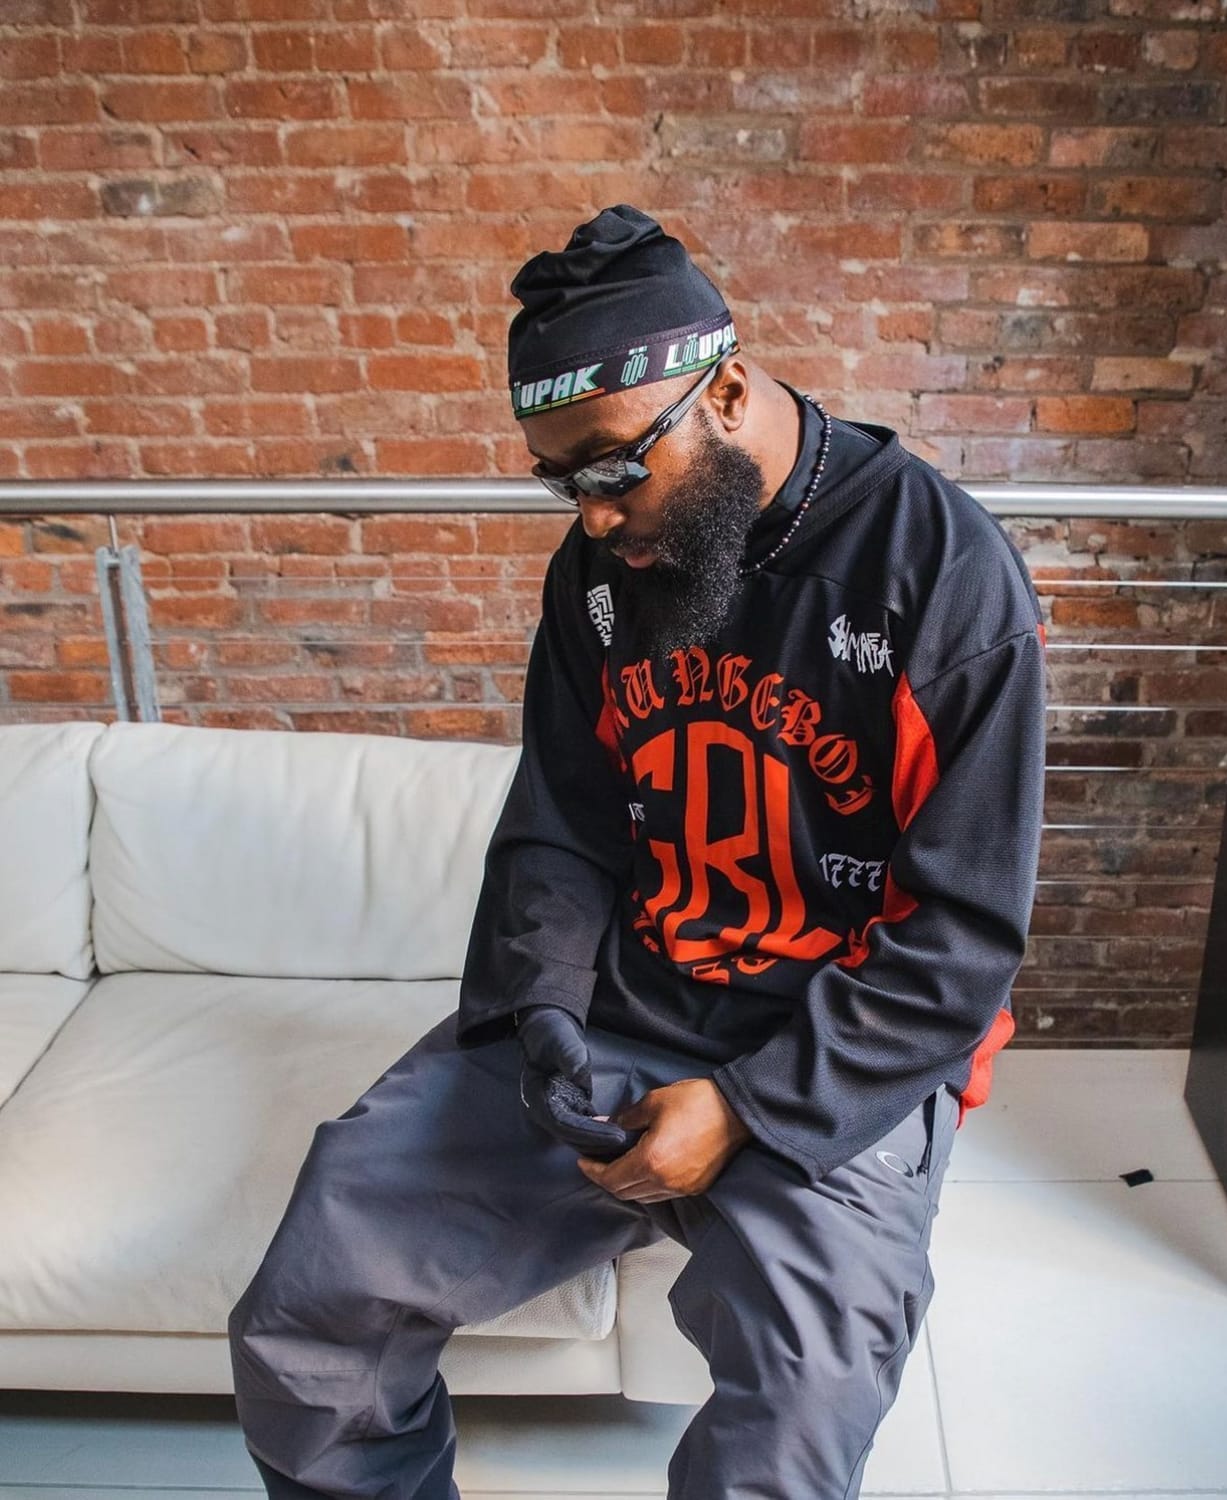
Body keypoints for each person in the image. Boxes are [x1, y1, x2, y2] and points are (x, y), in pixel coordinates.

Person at [227, 203, 1048, 1499]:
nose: (595, 518)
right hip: (626, 1010)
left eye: (613, 469)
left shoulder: (939, 572)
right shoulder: (603, 577)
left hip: (833, 1053)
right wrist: (544, 1011)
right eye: (563, 483)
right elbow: (561, 824)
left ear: (725, 392)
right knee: (310, 1304)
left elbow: (965, 935)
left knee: (797, 1410)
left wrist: (748, 1108)